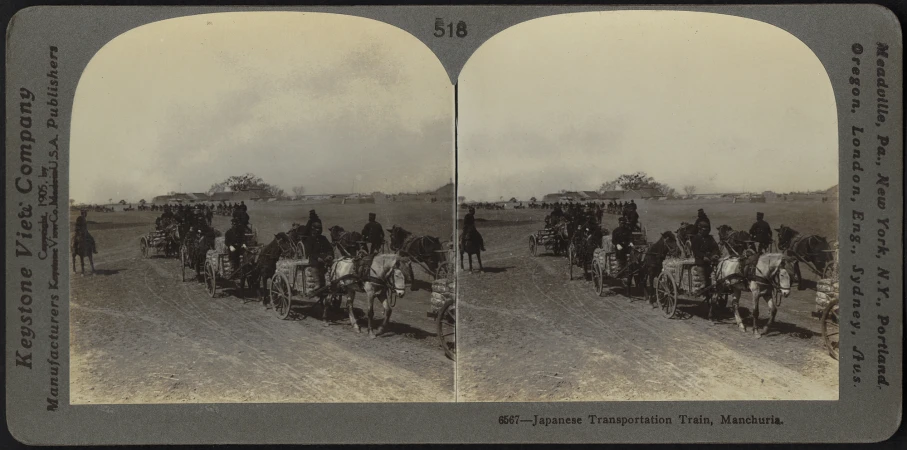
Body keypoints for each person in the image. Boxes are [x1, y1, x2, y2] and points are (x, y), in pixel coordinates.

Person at [690, 222, 721, 311]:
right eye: (705, 230)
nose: (707, 231)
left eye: (708, 230)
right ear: (700, 230)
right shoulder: (695, 238)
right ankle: (703, 284)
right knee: (701, 271)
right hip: (700, 261)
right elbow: (695, 251)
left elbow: (715, 248)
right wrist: (703, 257)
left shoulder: (710, 238)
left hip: (711, 260)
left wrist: (715, 255)